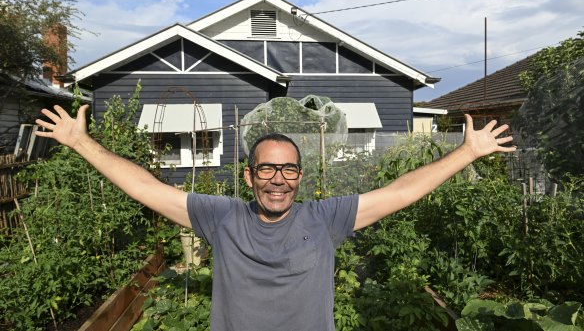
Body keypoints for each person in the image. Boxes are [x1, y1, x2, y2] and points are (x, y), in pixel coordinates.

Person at [36, 105, 515, 331]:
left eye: (288, 168)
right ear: (249, 176)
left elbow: (400, 192)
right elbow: (146, 187)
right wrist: (80, 142)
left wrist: (467, 152)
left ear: (300, 177)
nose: (278, 178)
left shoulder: (327, 218)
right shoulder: (219, 217)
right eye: (267, 167)